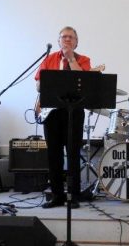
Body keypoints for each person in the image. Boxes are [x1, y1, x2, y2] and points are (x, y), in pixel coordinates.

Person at [35, 26, 101, 209]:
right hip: (52, 112)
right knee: (53, 154)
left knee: (73, 153)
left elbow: (83, 81)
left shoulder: (83, 60)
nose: (67, 40)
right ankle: (56, 195)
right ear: (58, 41)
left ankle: (73, 195)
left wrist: (71, 58)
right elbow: (38, 86)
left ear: (76, 42)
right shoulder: (49, 59)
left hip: (74, 112)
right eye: (64, 37)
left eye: (71, 37)